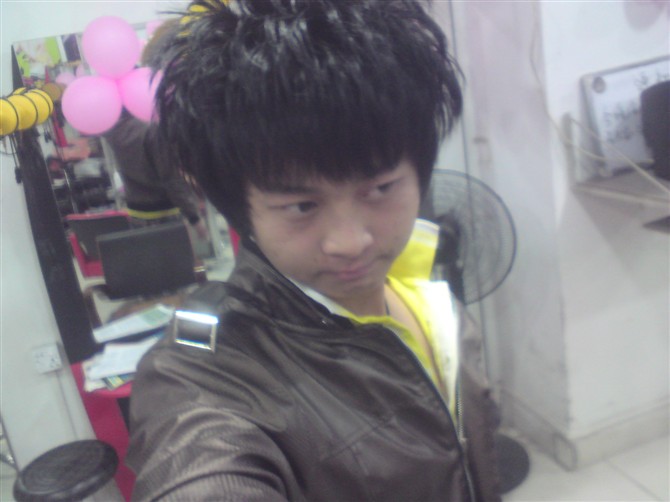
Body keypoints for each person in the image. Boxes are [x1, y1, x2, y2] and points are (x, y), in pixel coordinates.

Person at [127, 1, 501, 500]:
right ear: (244, 211)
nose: (350, 242)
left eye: (381, 188)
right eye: (301, 206)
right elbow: (200, 465)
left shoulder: (436, 301)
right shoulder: (206, 372)